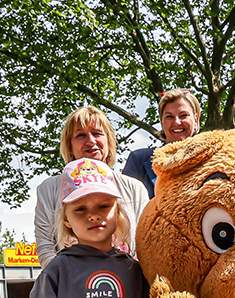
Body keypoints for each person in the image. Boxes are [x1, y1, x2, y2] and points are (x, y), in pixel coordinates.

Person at [26, 158, 148, 298]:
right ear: (66, 219)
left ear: (118, 211)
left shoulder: (135, 271)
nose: (93, 215)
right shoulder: (56, 272)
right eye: (80, 209)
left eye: (104, 206)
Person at [34, 107, 151, 265]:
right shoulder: (49, 189)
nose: (90, 141)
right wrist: (63, 280)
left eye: (97, 133)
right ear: (69, 146)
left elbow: (145, 243)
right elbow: (46, 245)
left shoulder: (134, 188)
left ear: (109, 141)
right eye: (80, 135)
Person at [122, 89, 201, 198]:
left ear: (196, 120)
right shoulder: (139, 160)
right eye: (169, 117)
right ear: (162, 121)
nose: (177, 122)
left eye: (183, 115)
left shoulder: (213, 160)